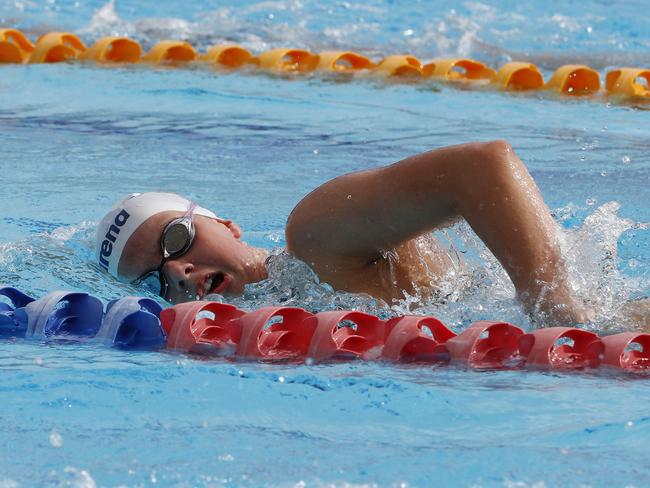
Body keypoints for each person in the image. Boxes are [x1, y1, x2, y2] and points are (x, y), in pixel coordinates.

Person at [96, 140, 595, 326]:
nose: (177, 271)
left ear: (226, 223)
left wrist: (549, 302)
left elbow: (481, 167)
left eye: (176, 240)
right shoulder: (273, 326)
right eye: (153, 280)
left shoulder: (314, 237)